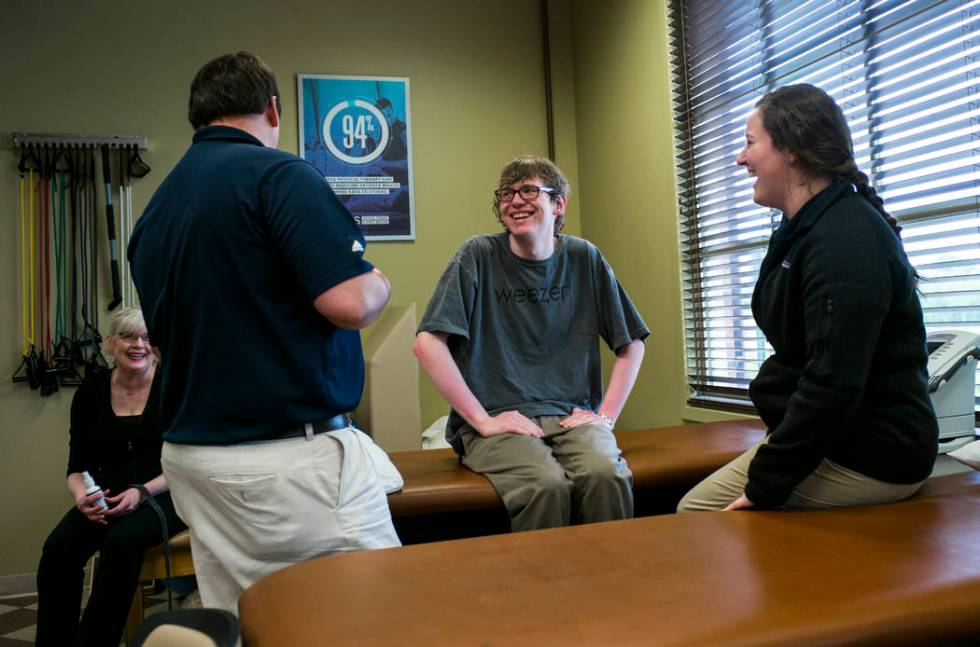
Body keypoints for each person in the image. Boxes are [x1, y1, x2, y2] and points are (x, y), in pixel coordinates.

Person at [128, 52, 400, 614]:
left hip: (194, 460)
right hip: (284, 467)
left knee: (254, 620)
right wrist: (377, 282)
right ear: (273, 108)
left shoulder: (157, 209)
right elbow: (349, 303)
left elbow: (161, 341)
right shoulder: (279, 175)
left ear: (198, 117)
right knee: (372, 617)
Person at [677, 84, 938, 512]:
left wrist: (764, 485)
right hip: (841, 439)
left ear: (791, 149)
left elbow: (832, 384)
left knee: (696, 513)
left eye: (749, 143)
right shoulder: (804, 229)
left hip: (874, 457)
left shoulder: (845, 239)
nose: (741, 158)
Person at [413, 155, 648, 532]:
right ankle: (543, 589)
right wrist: (482, 421)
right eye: (507, 193)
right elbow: (427, 343)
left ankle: (607, 584)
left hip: (570, 416)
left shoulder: (583, 257)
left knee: (606, 475)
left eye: (528, 190)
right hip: (499, 418)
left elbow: (632, 343)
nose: (515, 200)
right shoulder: (478, 255)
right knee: (546, 485)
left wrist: (605, 418)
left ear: (559, 204)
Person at [35, 307, 186, 647]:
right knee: (58, 550)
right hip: (104, 495)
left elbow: (188, 462)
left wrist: (141, 492)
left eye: (147, 339)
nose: (139, 345)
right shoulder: (90, 392)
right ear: (110, 343)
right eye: (130, 337)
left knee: (121, 544)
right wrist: (81, 498)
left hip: (166, 493)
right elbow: (77, 467)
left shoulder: (174, 387)